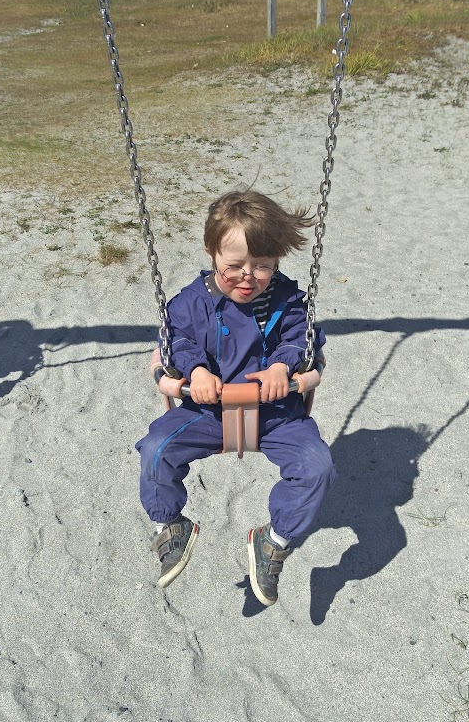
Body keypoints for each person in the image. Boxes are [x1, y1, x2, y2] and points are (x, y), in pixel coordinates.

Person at [136, 190, 336, 606]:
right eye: (235, 266)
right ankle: (169, 524)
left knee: (318, 467)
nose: (249, 276)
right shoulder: (191, 303)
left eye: (263, 265)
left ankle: (274, 541)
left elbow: (304, 337)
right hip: (207, 409)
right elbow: (176, 338)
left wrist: (284, 366)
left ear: (278, 259)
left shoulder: (288, 299)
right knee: (157, 450)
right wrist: (195, 371)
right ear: (212, 253)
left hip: (275, 412)